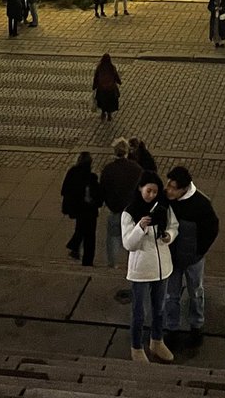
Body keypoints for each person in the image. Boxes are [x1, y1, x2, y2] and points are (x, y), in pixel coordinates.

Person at [121, 171, 178, 363]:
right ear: (140, 189)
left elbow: (173, 226)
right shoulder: (129, 212)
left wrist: (168, 236)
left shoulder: (162, 208)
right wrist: (139, 228)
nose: (152, 195)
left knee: (159, 308)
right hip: (141, 270)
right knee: (139, 312)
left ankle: (156, 340)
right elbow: (128, 244)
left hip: (162, 266)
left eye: (155, 191)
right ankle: (136, 347)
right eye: (148, 191)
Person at [164, 165, 220, 344]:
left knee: (195, 292)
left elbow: (212, 229)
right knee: (171, 295)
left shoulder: (201, 204)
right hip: (171, 258)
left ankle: (196, 325)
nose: (169, 190)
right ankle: (172, 327)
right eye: (168, 185)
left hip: (192, 259)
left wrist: (198, 252)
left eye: (173, 188)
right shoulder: (167, 200)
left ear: (184, 189)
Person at [100, 138, 142, 268]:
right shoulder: (136, 169)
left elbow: (103, 189)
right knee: (133, 239)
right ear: (127, 152)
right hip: (131, 210)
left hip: (115, 209)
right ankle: (133, 265)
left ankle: (112, 264)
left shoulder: (108, 169)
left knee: (113, 237)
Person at [60, 151, 101, 266]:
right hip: (90, 210)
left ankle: (74, 247)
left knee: (81, 229)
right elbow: (98, 195)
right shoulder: (91, 177)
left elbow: (64, 190)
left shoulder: (72, 173)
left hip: (78, 209)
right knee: (90, 236)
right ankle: (86, 260)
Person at [93, 53, 121, 121]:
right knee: (110, 102)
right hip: (110, 89)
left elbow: (96, 77)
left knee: (102, 101)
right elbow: (116, 76)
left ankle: (103, 113)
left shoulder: (100, 67)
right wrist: (119, 81)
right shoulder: (112, 67)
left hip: (101, 88)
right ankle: (109, 115)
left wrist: (94, 86)